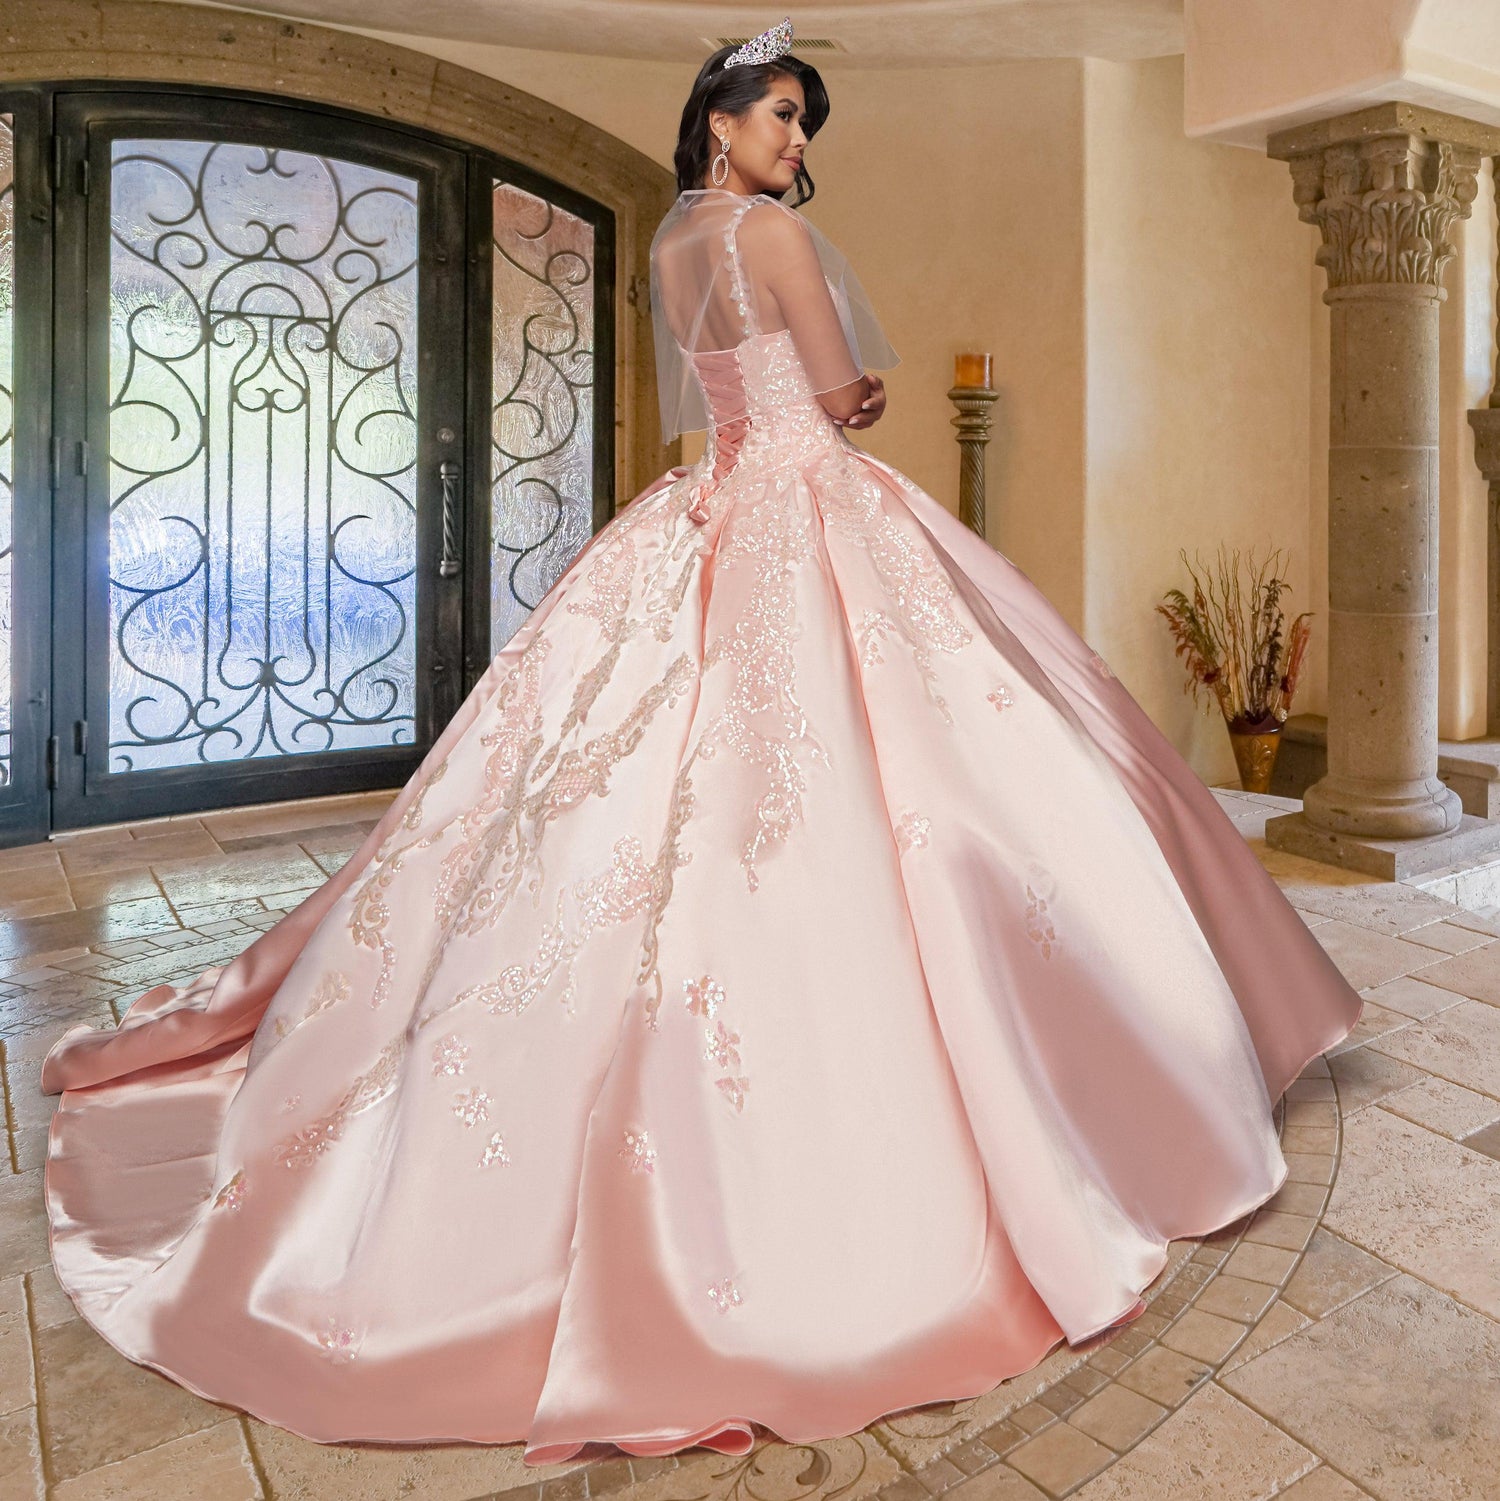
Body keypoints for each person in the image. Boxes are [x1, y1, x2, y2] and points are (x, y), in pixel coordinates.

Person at [39, 17, 1362, 1468]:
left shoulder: (671, 250)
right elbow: (841, 389)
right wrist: (856, 399)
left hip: (708, 506)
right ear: (722, 119)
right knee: (945, 775)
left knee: (611, 789)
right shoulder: (780, 241)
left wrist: (801, 403)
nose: (798, 145)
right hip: (804, 503)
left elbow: (718, 392)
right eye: (783, 118)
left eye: (803, 124)